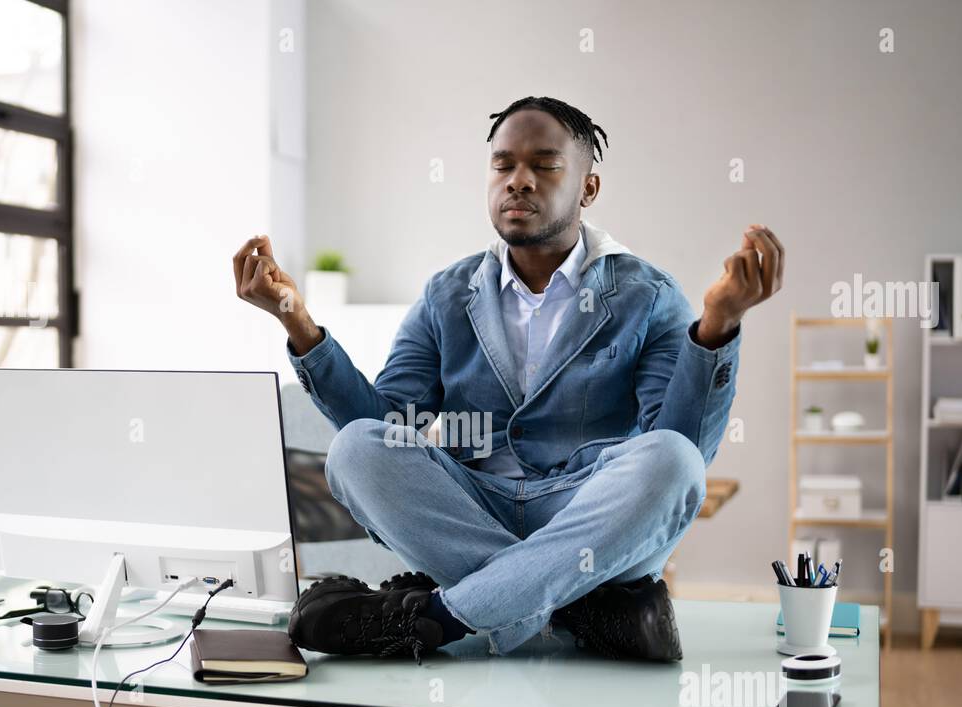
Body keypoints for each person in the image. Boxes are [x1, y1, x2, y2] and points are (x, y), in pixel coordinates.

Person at [233, 95, 784, 662]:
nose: (519, 181)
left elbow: (679, 444)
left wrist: (719, 325)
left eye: (545, 165)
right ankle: (580, 605)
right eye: (503, 165)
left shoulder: (650, 295)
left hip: (588, 517)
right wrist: (297, 322)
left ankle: (437, 619)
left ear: (588, 189)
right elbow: (384, 425)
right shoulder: (447, 293)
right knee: (354, 450)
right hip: (475, 510)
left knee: (673, 461)